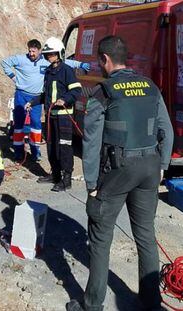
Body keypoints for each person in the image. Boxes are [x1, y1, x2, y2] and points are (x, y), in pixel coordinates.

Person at [66, 36, 174, 311]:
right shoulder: (150, 87)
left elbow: (91, 140)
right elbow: (167, 131)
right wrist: (162, 166)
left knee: (101, 239)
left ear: (104, 59)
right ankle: (151, 303)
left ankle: (92, 305)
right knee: (146, 235)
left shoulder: (104, 91)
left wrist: (91, 183)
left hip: (117, 170)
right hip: (150, 167)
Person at [1, 39, 89, 162]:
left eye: (34, 51)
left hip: (37, 97)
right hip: (21, 95)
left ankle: (35, 151)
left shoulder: (46, 60)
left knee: (36, 125)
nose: (31, 53)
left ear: (39, 51)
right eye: (29, 51)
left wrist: (80, 64)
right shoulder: (20, 59)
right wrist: (14, 78)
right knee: (19, 125)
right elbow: (4, 62)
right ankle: (18, 152)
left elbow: (64, 61)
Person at [26, 37, 82, 192]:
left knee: (64, 147)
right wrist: (33, 102)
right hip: (51, 116)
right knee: (51, 146)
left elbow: (76, 90)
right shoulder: (49, 72)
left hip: (64, 116)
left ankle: (66, 179)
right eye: (47, 54)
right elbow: (46, 95)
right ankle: (55, 175)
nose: (49, 57)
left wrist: (64, 99)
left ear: (59, 54)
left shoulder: (67, 71)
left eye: (52, 54)